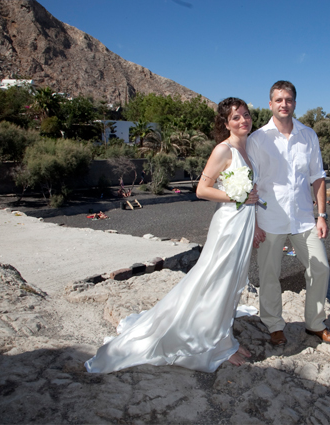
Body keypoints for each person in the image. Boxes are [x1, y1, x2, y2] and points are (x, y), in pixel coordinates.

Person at [84, 98, 259, 374]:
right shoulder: (222, 150)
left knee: (232, 280)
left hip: (244, 223)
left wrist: (254, 217)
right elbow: (202, 190)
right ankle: (217, 346)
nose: (243, 121)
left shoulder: (247, 148)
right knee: (217, 280)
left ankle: (224, 335)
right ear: (225, 123)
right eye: (235, 118)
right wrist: (236, 195)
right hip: (229, 226)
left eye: (246, 115)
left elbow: (251, 193)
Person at [248, 81, 330, 346]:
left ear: (295, 103)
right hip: (269, 219)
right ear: (270, 104)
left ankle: (314, 324)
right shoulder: (258, 139)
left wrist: (322, 215)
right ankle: (274, 325)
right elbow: (251, 183)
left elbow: (317, 177)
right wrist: (254, 222)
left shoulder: (308, 135)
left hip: (303, 218)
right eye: (278, 100)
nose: (284, 104)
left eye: (288, 99)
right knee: (268, 274)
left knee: (320, 267)